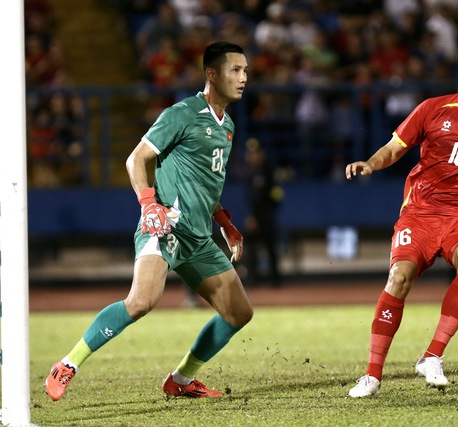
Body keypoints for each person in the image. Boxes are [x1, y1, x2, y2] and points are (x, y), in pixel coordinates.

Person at [44, 41, 253, 400]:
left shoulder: (227, 126)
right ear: (211, 74)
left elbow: (205, 183)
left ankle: (182, 380)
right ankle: (67, 364)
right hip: (165, 225)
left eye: (246, 71)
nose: (243, 78)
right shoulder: (182, 113)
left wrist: (224, 221)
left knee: (239, 313)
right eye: (235, 70)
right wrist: (148, 205)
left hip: (199, 236)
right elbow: (136, 159)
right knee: (141, 301)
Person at [345, 38, 458, 398]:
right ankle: (372, 375)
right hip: (421, 213)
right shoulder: (433, 109)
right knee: (399, 277)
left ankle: (432, 356)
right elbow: (394, 148)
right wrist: (371, 162)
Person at [242, 137, 283, 287]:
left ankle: (274, 280)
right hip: (256, 215)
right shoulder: (250, 172)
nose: (253, 156)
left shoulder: (267, 171)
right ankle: (253, 279)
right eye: (250, 153)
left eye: (256, 152)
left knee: (270, 248)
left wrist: (265, 213)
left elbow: (276, 194)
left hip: (265, 215)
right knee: (252, 249)